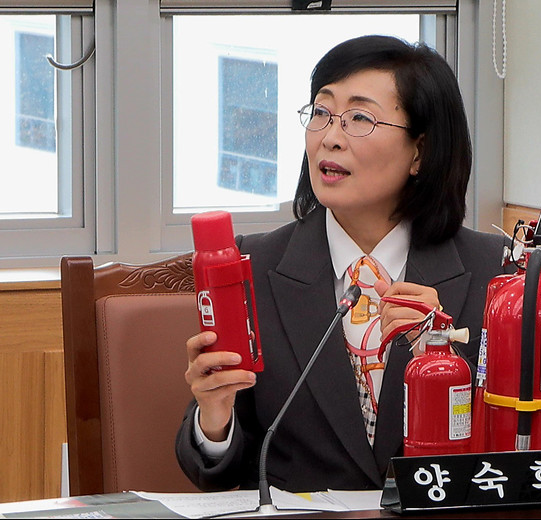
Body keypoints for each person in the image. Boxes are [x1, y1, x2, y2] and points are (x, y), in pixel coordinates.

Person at [176, 34, 512, 493]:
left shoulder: (498, 275)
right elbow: (220, 470)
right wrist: (215, 419)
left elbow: (521, 448)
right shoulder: (254, 267)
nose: (330, 138)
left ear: (420, 151)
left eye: (359, 118)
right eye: (321, 112)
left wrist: (438, 360)